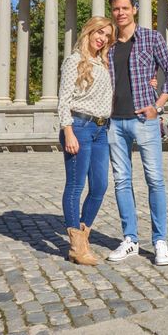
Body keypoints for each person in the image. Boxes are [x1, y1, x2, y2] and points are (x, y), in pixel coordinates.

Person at [106, 0, 168, 265]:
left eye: (125, 8)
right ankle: (130, 240)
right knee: (122, 181)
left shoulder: (151, 38)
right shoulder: (108, 43)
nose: (121, 13)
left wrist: (157, 106)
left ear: (134, 9)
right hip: (114, 120)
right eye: (116, 9)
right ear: (112, 12)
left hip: (144, 120)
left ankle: (160, 241)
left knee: (155, 180)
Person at [57, 16, 115, 265]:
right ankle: (77, 247)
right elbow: (64, 99)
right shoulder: (74, 60)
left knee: (100, 186)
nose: (102, 38)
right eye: (99, 32)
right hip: (79, 126)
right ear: (89, 32)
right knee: (75, 186)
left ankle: (83, 233)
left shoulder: (102, 63)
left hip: (101, 129)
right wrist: (67, 131)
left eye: (107, 36)